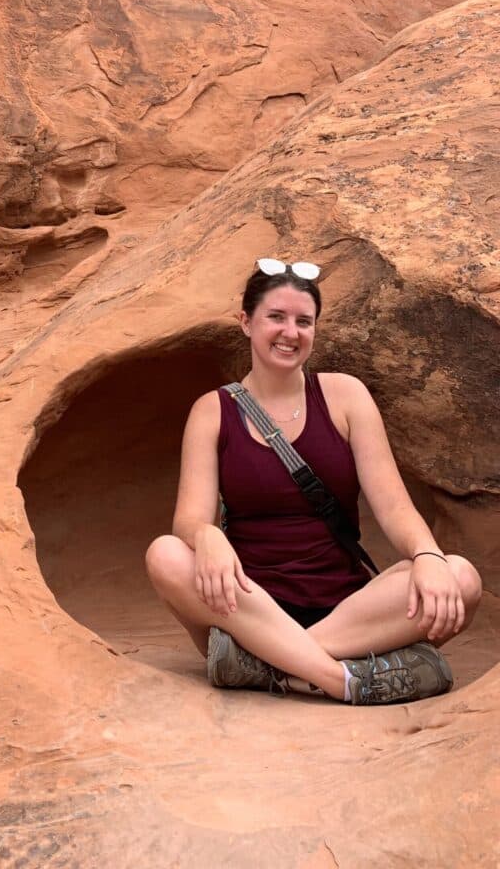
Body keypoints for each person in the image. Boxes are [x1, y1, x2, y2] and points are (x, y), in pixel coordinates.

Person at [145, 258, 482, 704]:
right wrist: (205, 535)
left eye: (304, 321)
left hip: (347, 610)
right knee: (166, 554)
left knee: (461, 577)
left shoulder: (345, 396)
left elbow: (395, 507)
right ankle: (341, 679)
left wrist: (427, 556)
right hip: (247, 604)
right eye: (276, 317)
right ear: (246, 322)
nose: (291, 332)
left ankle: (268, 668)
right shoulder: (213, 410)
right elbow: (188, 519)